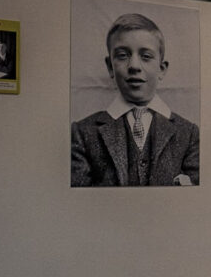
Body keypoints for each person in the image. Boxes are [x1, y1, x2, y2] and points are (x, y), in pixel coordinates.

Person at [70, 12, 199, 187]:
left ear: (161, 69)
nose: (134, 66)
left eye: (146, 56)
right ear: (110, 66)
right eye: (123, 55)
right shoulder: (82, 133)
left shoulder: (189, 134)